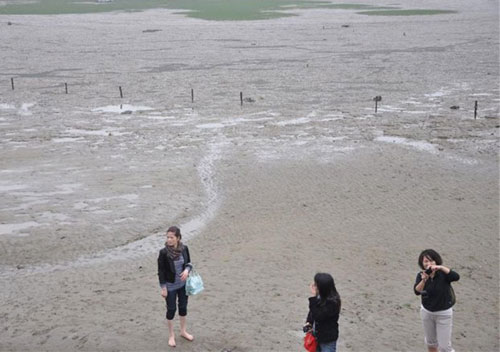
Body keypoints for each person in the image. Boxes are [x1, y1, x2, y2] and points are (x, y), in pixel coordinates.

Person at [414, 249, 460, 352]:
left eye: (431, 261)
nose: (429, 264)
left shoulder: (443, 274)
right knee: (431, 344)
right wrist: (423, 280)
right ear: (422, 263)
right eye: (426, 261)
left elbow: (456, 277)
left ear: (436, 261)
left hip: (444, 313)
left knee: (444, 347)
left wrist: (441, 268)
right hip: (427, 312)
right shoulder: (421, 275)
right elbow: (417, 291)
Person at [158, 226, 194, 347]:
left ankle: (183, 331)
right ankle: (171, 335)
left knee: (183, 307)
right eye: (167, 237)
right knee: (171, 310)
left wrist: (187, 271)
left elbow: (189, 263)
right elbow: (161, 271)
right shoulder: (163, 253)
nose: (169, 240)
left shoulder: (184, 249)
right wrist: (163, 288)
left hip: (183, 285)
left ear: (178, 238)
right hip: (170, 286)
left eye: (171, 237)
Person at [304, 273, 341, 352]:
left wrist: (313, 297)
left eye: (316, 285)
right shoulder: (320, 296)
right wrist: (309, 322)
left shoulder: (333, 302)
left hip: (327, 339)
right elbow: (312, 312)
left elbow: (318, 315)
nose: (314, 286)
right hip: (316, 336)